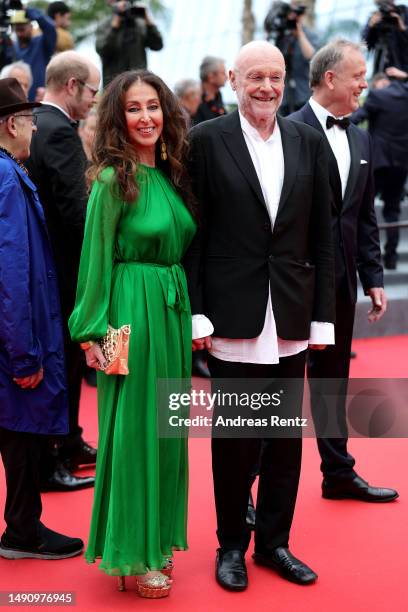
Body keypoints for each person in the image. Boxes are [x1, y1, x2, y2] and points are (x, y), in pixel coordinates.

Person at [184, 40, 335, 591]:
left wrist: (322, 320)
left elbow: (322, 236)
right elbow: (193, 239)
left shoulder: (305, 140)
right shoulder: (205, 141)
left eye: (275, 76)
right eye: (255, 77)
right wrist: (198, 316)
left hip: (291, 314)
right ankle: (231, 547)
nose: (267, 87)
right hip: (232, 318)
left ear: (286, 78)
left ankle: (275, 544)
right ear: (232, 79)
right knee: (236, 442)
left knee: (284, 445)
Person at [69, 69, 196, 597]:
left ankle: (156, 538)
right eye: (133, 109)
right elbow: (94, 261)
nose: (146, 118)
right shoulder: (109, 179)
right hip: (129, 315)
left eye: (153, 107)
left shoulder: (170, 173)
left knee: (166, 428)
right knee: (134, 430)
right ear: (118, 119)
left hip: (168, 311)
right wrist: (91, 333)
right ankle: (132, 550)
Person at [290, 39, 399, 502]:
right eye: (357, 76)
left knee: (333, 379)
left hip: (340, 283)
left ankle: (337, 473)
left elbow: (364, 217)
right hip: (291, 283)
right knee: (277, 385)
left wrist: (373, 278)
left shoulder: (360, 135)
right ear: (330, 78)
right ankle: (249, 487)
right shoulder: (285, 130)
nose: (364, 85)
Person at [0, 77, 83, 560]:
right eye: (29, 120)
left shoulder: (10, 173)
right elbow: (11, 273)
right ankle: (22, 532)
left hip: (21, 332)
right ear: (12, 124)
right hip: (21, 337)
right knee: (22, 435)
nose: (34, 129)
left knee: (18, 434)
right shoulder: (7, 178)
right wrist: (24, 353)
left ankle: (22, 528)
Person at [26, 51, 100, 491]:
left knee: (67, 365)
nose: (93, 99)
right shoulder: (59, 132)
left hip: (47, 270)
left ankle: (68, 442)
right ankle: (55, 454)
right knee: (65, 365)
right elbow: (78, 211)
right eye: (92, 90)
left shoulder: (38, 123)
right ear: (72, 85)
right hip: (66, 272)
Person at [351, 68, 408, 269]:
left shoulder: (377, 97)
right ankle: (391, 258)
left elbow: (355, 120)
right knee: (392, 210)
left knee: (362, 210)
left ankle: (361, 257)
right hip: (401, 164)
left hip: (377, 162)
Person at [264, 1, 319, 115]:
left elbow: (313, 57)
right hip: (282, 98)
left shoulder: (309, 35)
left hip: (304, 95)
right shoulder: (281, 36)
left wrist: (299, 34)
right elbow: (267, 57)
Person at [96, 0, 163, 86]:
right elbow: (102, 50)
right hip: (113, 84)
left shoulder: (139, 24)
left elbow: (157, 45)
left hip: (138, 82)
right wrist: (114, 28)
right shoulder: (105, 25)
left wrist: (149, 21)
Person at [10, 8, 56, 101]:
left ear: (31, 26)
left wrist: (29, 11)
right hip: (17, 103)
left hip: (39, 102)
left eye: (22, 29)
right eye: (17, 29)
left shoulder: (41, 43)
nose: (20, 34)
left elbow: (50, 28)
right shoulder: (12, 48)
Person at [362, 0, 408, 73]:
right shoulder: (376, 16)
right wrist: (370, 26)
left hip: (401, 66)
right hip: (380, 66)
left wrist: (402, 27)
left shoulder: (403, 12)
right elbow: (364, 45)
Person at [192, 56, 228, 125]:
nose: (227, 77)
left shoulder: (218, 96)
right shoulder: (194, 100)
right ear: (211, 77)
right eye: (223, 73)